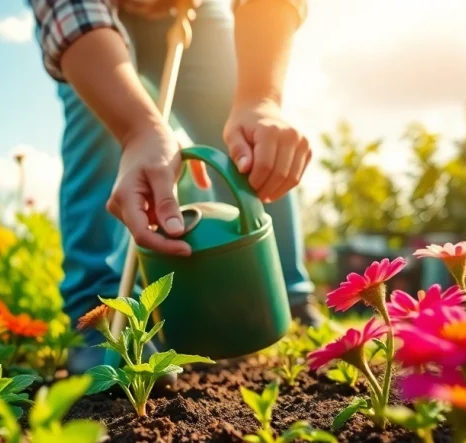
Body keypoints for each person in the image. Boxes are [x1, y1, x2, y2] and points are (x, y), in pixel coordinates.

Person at [28, 0, 321, 374]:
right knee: (99, 119)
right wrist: (137, 130)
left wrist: (260, 99)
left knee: (245, 129)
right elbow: (71, 11)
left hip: (193, 10)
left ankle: (287, 298)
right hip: (95, 15)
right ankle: (99, 318)